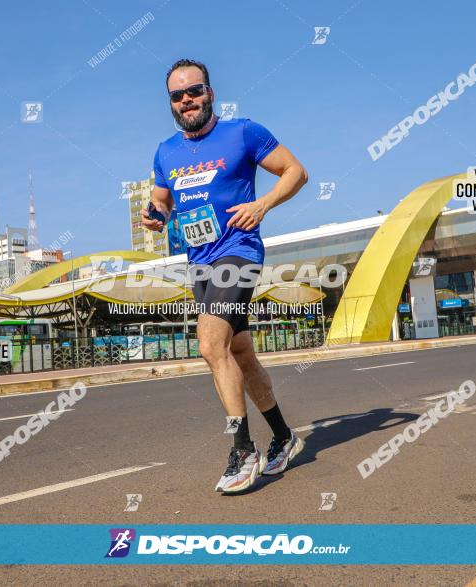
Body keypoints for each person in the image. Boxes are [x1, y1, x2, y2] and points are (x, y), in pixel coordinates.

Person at [141, 59, 309, 493]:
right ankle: (284, 438)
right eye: (177, 96)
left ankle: (243, 449)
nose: (186, 101)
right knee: (241, 355)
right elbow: (162, 199)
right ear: (171, 103)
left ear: (210, 92)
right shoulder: (165, 151)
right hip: (200, 263)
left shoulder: (242, 132)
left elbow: (296, 171)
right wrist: (155, 216)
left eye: (193, 91)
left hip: (238, 253)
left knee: (210, 343)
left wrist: (262, 205)